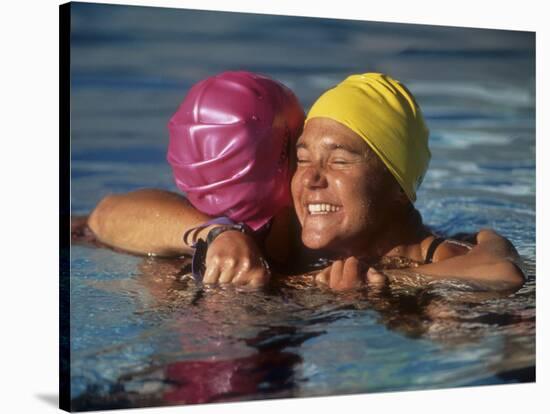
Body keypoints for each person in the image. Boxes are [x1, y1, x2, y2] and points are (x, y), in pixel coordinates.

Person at [79, 73, 525, 291]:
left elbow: (501, 274)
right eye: (302, 158)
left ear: (396, 180)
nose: (310, 178)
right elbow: (104, 216)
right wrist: (214, 232)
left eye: (340, 161)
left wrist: (388, 287)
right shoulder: (289, 237)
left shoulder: (441, 257)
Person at [79, 70, 305, 287]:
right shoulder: (321, 263)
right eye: (304, 148)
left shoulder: (175, 246)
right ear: (292, 155)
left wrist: (214, 232)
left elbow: (99, 218)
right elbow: (105, 215)